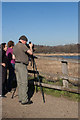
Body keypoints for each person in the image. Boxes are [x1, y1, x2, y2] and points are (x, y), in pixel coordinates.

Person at [13, 35, 33, 105]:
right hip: (22, 65)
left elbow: (13, 57)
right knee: (24, 82)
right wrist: (30, 47)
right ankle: (24, 100)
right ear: (24, 41)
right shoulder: (22, 46)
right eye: (26, 42)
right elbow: (31, 53)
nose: (26, 43)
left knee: (19, 82)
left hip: (16, 64)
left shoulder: (15, 46)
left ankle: (20, 98)